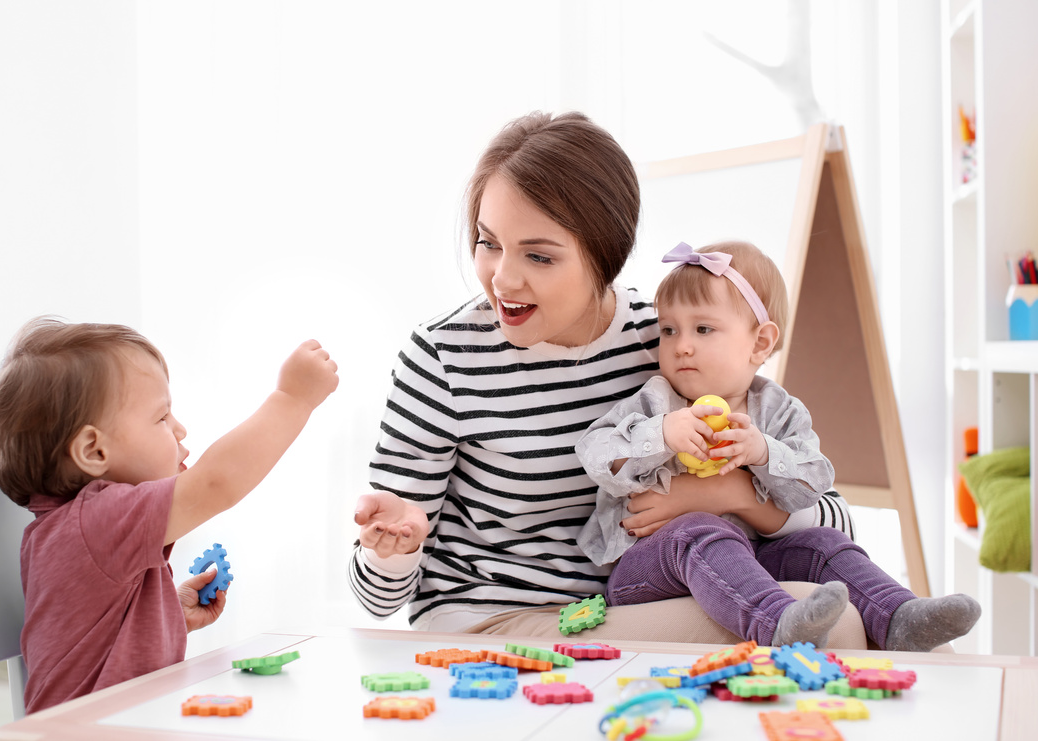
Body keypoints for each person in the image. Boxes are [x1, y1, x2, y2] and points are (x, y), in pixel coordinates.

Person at [347, 111, 869, 643]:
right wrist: (395, 548)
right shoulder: (443, 355)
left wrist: (728, 496)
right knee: (827, 627)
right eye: (488, 242)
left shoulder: (669, 342)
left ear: (607, 257)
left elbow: (835, 520)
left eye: (538, 255)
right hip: (489, 622)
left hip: (617, 607)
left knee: (836, 613)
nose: (502, 277)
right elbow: (377, 599)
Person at [575, 240, 981, 651]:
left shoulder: (779, 410)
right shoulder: (657, 400)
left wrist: (764, 453)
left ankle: (899, 617)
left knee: (826, 545)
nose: (681, 345)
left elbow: (815, 483)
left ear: (760, 343)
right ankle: (776, 622)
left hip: (753, 561)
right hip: (649, 567)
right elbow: (594, 452)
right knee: (701, 531)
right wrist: (660, 433)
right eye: (668, 330)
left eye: (703, 329)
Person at [0, 317, 338, 711]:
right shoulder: (95, 521)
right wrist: (292, 398)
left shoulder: (75, 531)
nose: (180, 429)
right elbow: (217, 483)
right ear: (94, 451)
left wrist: (166, 616)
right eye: (162, 417)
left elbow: (92, 644)